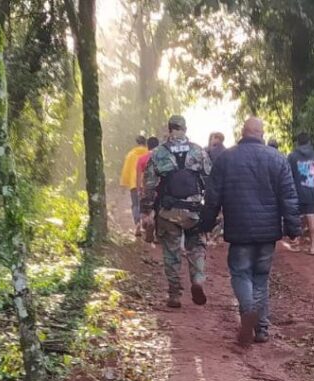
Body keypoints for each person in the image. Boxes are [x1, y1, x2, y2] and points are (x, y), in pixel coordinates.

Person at [201, 117, 301, 345]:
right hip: (268, 232)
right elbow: (289, 195)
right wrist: (293, 227)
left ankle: (248, 312)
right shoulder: (277, 158)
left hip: (239, 229)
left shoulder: (227, 158)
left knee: (241, 273)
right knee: (261, 277)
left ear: (243, 132)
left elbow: (212, 196)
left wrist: (206, 224)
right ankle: (262, 328)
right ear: (261, 133)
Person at [141, 115, 212, 308]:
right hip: (194, 211)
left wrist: (146, 210)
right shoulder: (198, 151)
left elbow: (149, 186)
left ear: (169, 129)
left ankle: (174, 295)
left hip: (168, 212)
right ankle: (197, 279)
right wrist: (212, 208)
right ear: (185, 129)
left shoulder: (157, 153)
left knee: (171, 253)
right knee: (196, 247)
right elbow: (209, 180)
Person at [288, 133, 314, 255]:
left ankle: (296, 243)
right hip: (313, 191)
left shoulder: (292, 157)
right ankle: (313, 247)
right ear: (309, 142)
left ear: (297, 143)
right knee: (312, 217)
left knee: (297, 218)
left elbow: (287, 174)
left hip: (297, 192)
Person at [120, 136, 149, 236]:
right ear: (145, 143)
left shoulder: (131, 154)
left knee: (136, 204)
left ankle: (137, 224)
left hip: (134, 184)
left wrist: (124, 183)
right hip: (146, 184)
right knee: (146, 205)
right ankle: (146, 223)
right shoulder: (149, 153)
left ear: (137, 143)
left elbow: (126, 170)